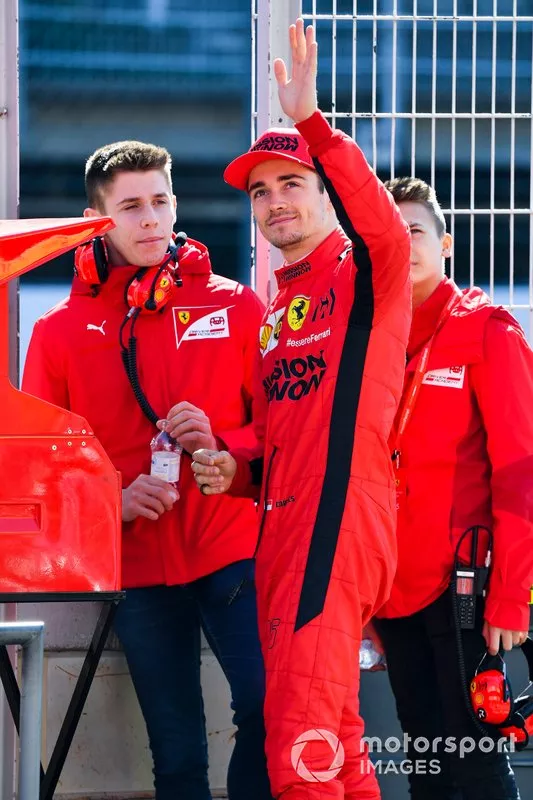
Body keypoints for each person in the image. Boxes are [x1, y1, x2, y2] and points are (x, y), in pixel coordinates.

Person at [192, 19, 411, 799]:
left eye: (290, 184)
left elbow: (380, 224)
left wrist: (311, 123)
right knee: (335, 741)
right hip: (284, 524)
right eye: (260, 191)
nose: (273, 201)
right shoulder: (278, 304)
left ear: (326, 193)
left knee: (296, 735)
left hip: (337, 523)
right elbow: (284, 428)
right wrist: (233, 462)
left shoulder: (364, 272)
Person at [22, 140, 273, 800]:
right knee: (178, 753)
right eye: (130, 207)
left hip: (232, 547)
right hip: (133, 566)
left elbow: (280, 427)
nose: (150, 220)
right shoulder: (58, 331)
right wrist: (110, 498)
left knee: (269, 711)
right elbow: (41, 466)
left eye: (160, 202)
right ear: (96, 219)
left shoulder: (238, 306)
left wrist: (224, 441)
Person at [372, 175, 533, 800]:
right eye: (388, 232)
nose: (402, 242)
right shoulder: (366, 339)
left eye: (415, 229)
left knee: (475, 760)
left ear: (445, 245)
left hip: (468, 586)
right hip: (391, 588)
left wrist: (512, 597)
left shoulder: (487, 330)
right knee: (425, 760)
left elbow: (521, 471)